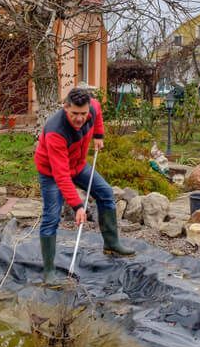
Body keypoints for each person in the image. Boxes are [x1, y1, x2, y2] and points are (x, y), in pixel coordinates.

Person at [33, 87, 134, 283]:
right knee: (51, 217)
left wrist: (99, 135)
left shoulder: (92, 108)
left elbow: (97, 112)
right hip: (52, 173)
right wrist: (78, 206)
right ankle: (49, 271)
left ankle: (111, 243)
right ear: (65, 108)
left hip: (78, 165)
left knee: (105, 192)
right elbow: (61, 175)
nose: (80, 118)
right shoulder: (56, 132)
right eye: (74, 114)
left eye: (83, 114)